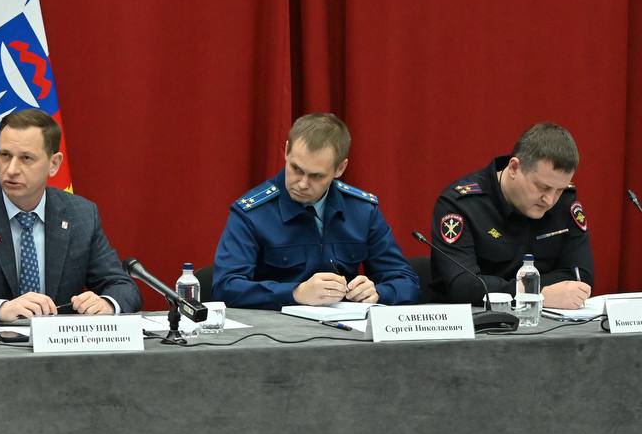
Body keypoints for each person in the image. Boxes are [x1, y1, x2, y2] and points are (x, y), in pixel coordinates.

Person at [0, 109, 141, 323]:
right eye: (5, 155)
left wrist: (107, 304)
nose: (11, 169)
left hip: (60, 347)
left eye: (26, 158)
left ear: (54, 164)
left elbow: (122, 286)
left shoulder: (81, 214)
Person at [213, 113, 420, 310]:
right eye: (296, 169)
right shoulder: (252, 213)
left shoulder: (362, 210)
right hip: (275, 329)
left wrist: (377, 293)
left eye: (316, 176)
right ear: (286, 151)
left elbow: (407, 282)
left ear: (340, 169)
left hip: (344, 328)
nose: (302, 183)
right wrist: (295, 293)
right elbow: (225, 287)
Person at [431, 122, 592, 308]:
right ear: (514, 167)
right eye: (542, 187)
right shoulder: (461, 205)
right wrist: (536, 294)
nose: (549, 200)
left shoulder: (565, 202)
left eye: (559, 190)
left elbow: (580, 277)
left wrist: (516, 290)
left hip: (548, 320)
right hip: (476, 320)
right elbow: (463, 286)